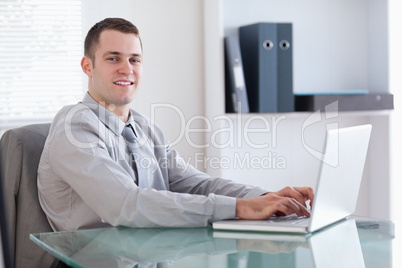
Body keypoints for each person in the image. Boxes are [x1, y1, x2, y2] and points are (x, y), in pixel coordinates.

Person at [37, 18, 313, 231]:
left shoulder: (144, 128)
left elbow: (194, 184)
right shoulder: (74, 129)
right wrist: (241, 208)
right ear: (87, 66)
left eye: (135, 59)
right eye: (113, 58)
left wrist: (266, 198)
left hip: (147, 253)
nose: (127, 68)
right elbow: (126, 205)